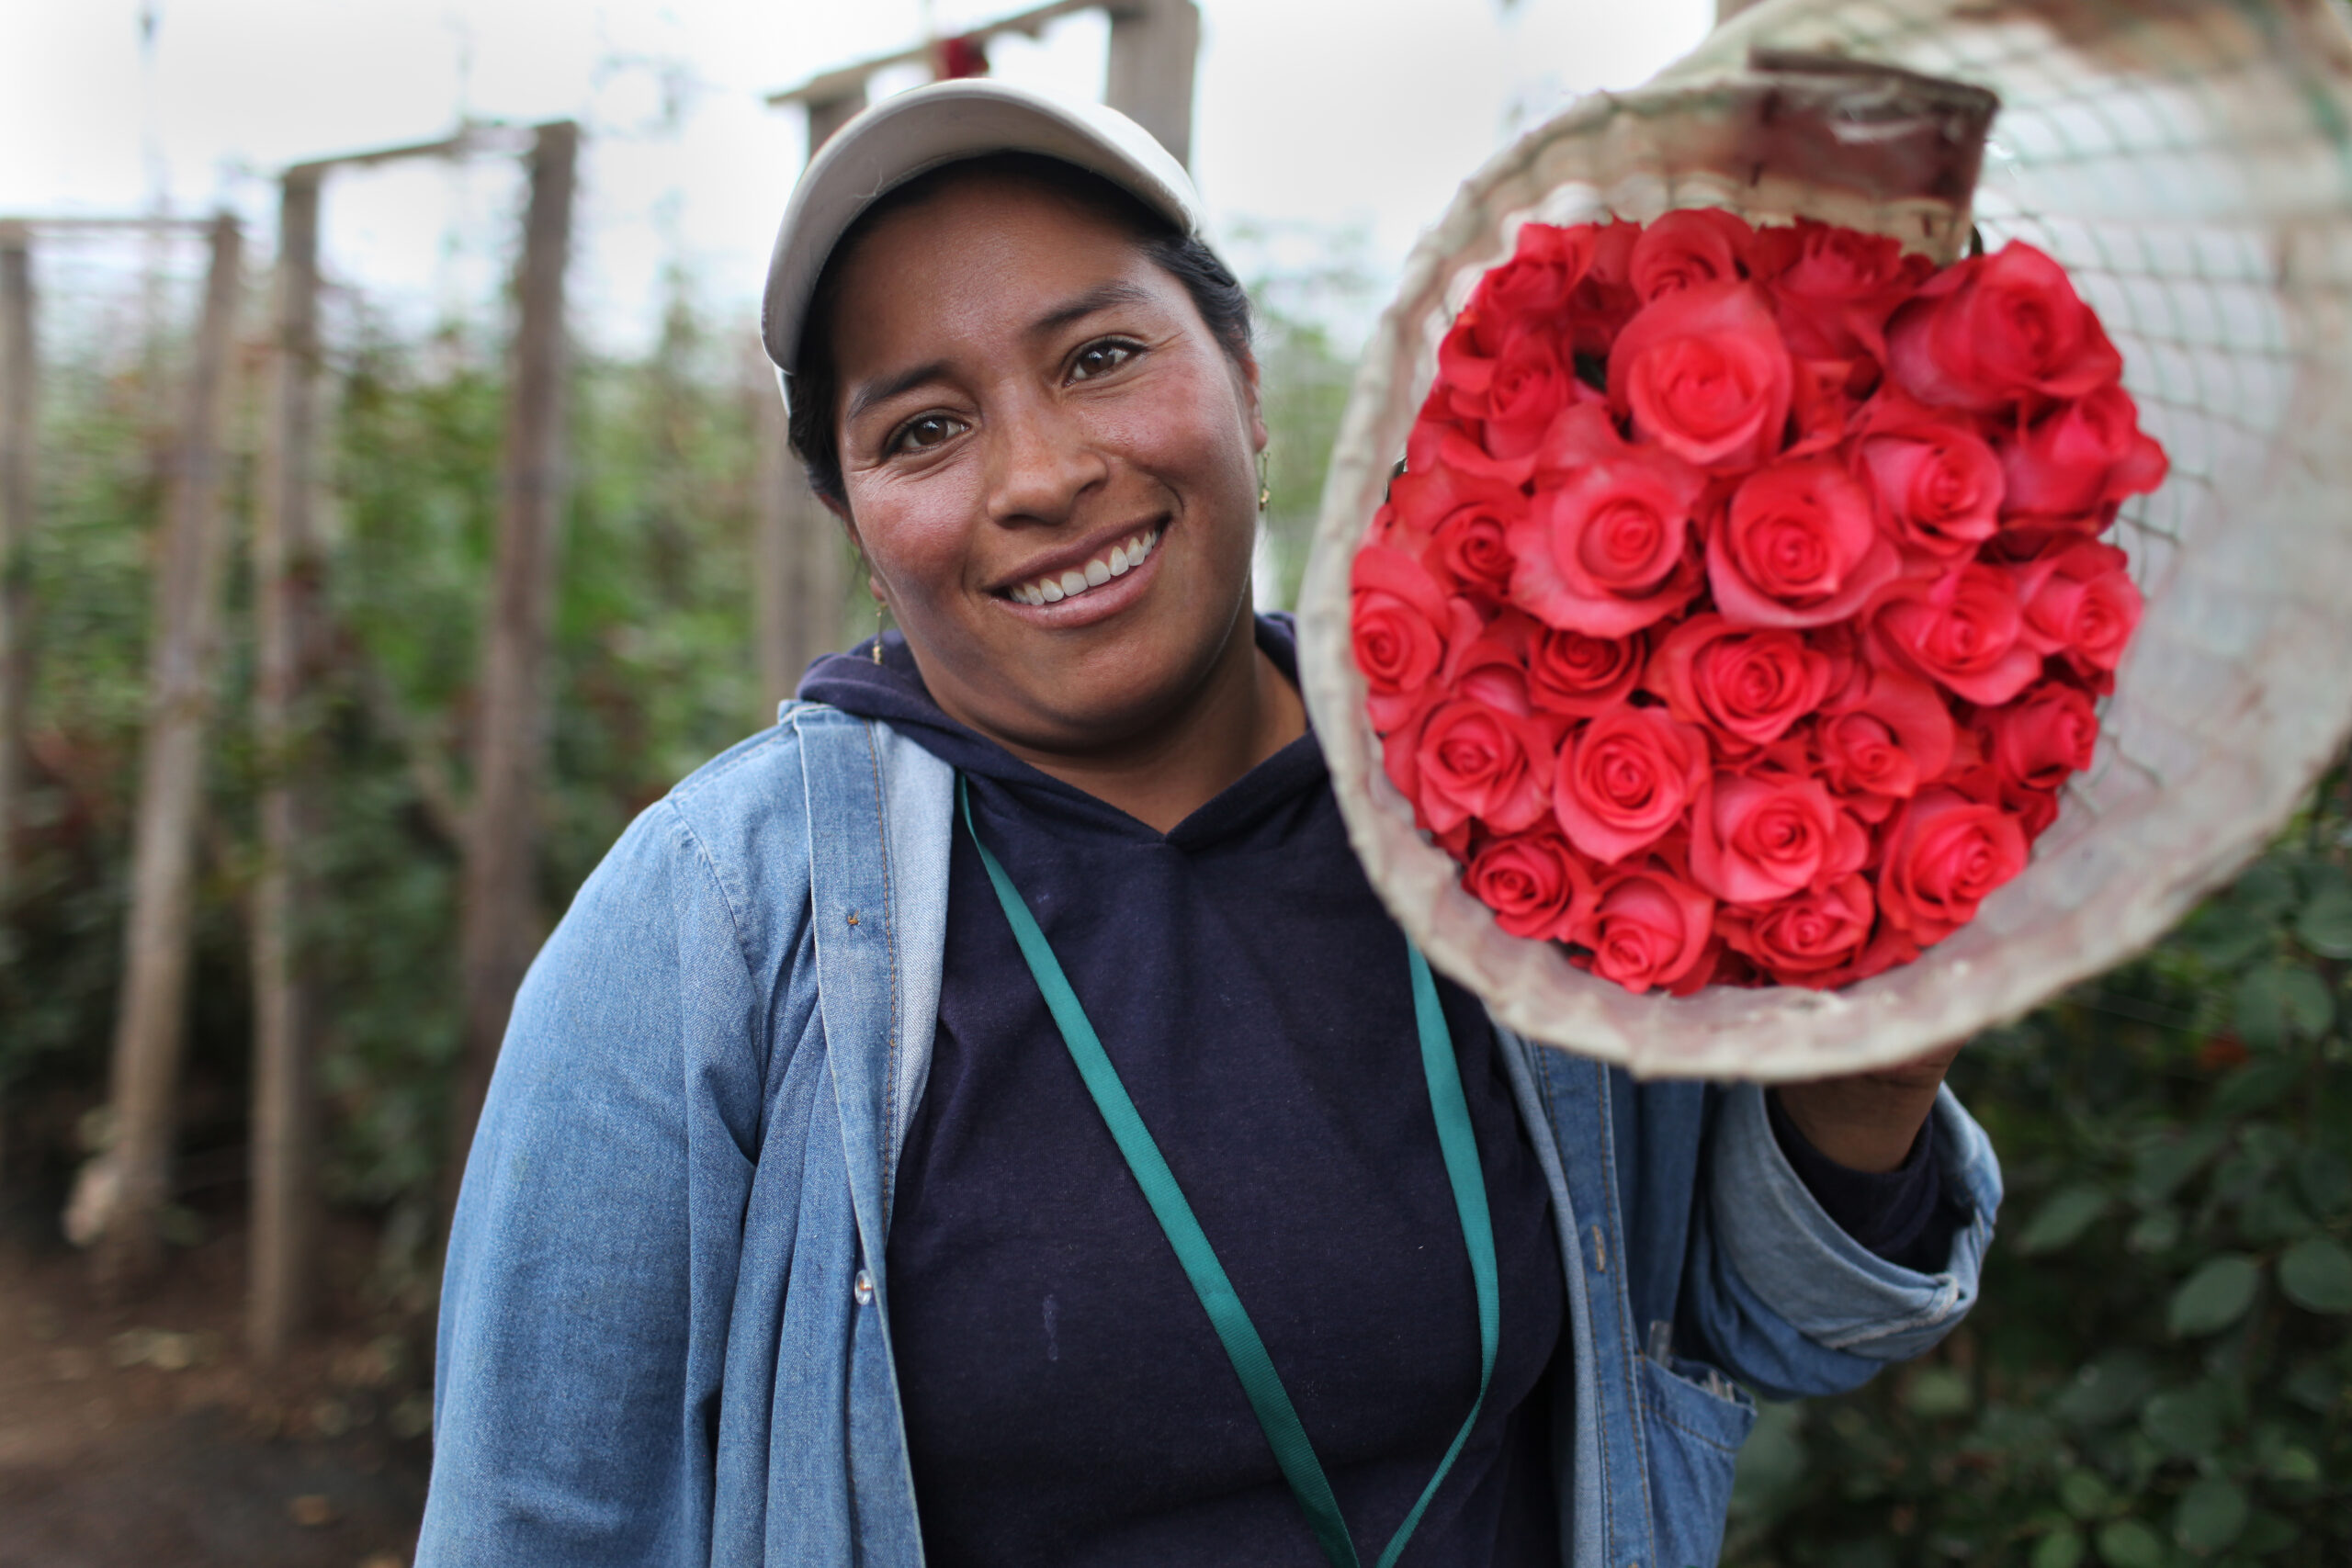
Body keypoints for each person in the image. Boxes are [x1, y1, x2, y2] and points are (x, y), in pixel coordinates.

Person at [417, 80, 2000, 1568]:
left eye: (1101, 356)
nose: (1041, 473)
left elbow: (1755, 1330)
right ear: (851, 519)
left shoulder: (1507, 809)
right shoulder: (717, 917)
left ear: (1242, 382)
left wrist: (1864, 1095)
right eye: (921, 430)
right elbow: (540, 1523)